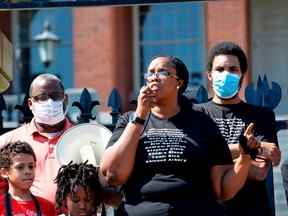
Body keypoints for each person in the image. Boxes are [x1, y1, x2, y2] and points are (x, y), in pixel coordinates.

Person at [100, 55, 259, 216]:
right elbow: (113, 174)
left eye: (162, 72)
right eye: (150, 73)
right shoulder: (129, 120)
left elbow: (222, 191)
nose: (154, 78)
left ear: (179, 83)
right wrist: (140, 116)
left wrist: (244, 159)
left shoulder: (202, 123)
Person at [194, 41, 281, 216]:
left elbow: (259, 172)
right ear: (209, 75)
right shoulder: (196, 114)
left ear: (242, 75)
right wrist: (245, 151)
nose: (226, 74)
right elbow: (195, 159)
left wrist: (212, 160)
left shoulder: (261, 116)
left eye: (233, 69)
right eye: (219, 69)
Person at [0, 73, 73, 203]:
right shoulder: (7, 142)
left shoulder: (82, 137)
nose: (50, 102)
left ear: (65, 99)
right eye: (42, 97)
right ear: (30, 103)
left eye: (55, 96)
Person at [0, 141, 56, 215]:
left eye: (31, 166)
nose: (28, 171)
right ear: (4, 172)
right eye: (20, 167)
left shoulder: (47, 206)